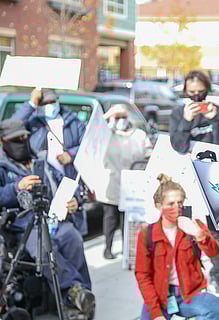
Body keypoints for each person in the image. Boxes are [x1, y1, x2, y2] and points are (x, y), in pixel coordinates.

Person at [0, 119, 94, 319]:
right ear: (4, 141)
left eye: (25, 137)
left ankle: (84, 298)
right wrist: (16, 187)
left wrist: (73, 200)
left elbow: (63, 184)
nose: (23, 141)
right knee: (44, 249)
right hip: (22, 225)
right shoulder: (2, 167)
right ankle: (72, 292)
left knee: (72, 239)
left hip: (51, 217)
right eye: (17, 139)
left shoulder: (38, 160)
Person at [169, 70, 219, 296]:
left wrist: (214, 120)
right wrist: (186, 122)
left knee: (215, 230)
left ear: (208, 91)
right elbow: (177, 146)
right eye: (191, 93)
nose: (196, 97)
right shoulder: (179, 114)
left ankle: (217, 274)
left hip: (213, 179)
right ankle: (192, 274)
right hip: (187, 180)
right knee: (187, 229)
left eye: (200, 93)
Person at [135, 174, 219, 320]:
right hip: (160, 294)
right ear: (159, 205)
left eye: (180, 203)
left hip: (189, 292)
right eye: (170, 204)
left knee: (218, 310)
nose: (177, 208)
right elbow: (143, 275)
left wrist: (199, 235)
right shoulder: (147, 234)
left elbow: (214, 252)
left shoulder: (193, 225)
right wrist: (155, 313)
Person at [11, 88, 88, 235]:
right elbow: (12, 126)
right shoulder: (33, 122)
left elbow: (88, 145)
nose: (50, 105)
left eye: (53, 101)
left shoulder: (72, 121)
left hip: (67, 181)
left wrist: (71, 154)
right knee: (44, 235)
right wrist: (31, 103)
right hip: (42, 182)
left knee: (69, 234)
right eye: (46, 102)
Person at [98, 104, 153, 259]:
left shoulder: (139, 135)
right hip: (111, 182)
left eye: (123, 117)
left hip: (132, 184)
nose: (121, 120)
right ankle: (107, 247)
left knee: (127, 220)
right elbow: (91, 133)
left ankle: (126, 249)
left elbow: (148, 154)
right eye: (117, 117)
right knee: (110, 218)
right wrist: (107, 116)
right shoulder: (106, 134)